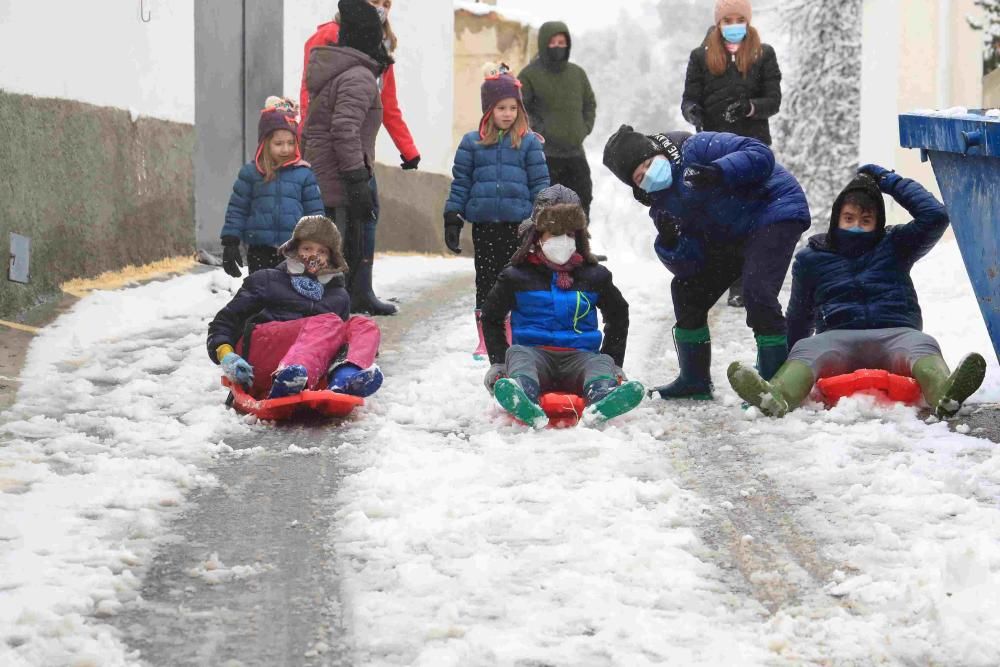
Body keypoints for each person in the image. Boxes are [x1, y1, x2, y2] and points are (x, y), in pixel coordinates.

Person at [727, 166, 987, 419]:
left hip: (896, 334)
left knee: (924, 344)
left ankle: (944, 393)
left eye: (866, 221)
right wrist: (788, 359)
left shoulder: (896, 244)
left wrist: (887, 180)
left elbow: (936, 216)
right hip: (837, 339)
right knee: (807, 348)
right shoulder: (811, 259)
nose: (856, 226)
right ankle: (778, 395)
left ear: (878, 222)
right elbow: (799, 314)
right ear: (836, 217)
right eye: (849, 218)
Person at [602, 125, 810, 400]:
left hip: (774, 209)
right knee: (687, 290)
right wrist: (671, 240)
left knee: (757, 290)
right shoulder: (661, 204)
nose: (649, 175)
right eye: (640, 177)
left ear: (660, 151)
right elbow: (690, 265)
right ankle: (694, 380)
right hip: (732, 236)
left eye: (650, 163)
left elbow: (760, 155)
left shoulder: (698, 148)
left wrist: (718, 172)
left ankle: (774, 382)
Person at [480, 185, 644, 427]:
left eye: (569, 234)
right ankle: (522, 396)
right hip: (533, 354)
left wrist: (614, 362)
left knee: (599, 363)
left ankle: (602, 397)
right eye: (554, 233)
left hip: (580, 357)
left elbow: (618, 315)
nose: (563, 241)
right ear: (538, 236)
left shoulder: (595, 276)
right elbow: (491, 316)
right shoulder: (517, 276)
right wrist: (498, 362)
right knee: (518, 355)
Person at [208, 215, 384, 401]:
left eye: (322, 251)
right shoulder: (267, 280)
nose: (313, 256)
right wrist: (226, 355)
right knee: (329, 322)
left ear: (331, 258)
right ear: (294, 249)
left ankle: (344, 379)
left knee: (363, 324)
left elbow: (340, 340)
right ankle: (289, 377)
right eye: (307, 248)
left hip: (315, 364)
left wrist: (361, 351)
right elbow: (224, 322)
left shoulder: (338, 296)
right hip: (262, 355)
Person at [443, 63, 550, 358]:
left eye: (513, 108)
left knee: (516, 279)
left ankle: (515, 333)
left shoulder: (529, 143)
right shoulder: (471, 143)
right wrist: (453, 215)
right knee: (487, 279)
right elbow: (461, 182)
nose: (507, 114)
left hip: (520, 226)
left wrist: (542, 219)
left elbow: (540, 183)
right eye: (501, 107)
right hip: (486, 225)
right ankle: (487, 336)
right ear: (489, 109)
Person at [681, 0, 782, 309]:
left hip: (753, 145)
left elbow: (773, 100)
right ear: (719, 23)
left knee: (750, 214)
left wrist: (750, 107)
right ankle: (719, 276)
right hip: (716, 145)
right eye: (728, 19)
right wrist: (692, 112)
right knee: (720, 215)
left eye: (740, 19)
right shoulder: (700, 57)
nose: (734, 24)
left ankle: (743, 283)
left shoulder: (764, 54)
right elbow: (688, 99)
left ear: (748, 22)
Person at [303, 0, 398, 316]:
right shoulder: (357, 75)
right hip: (341, 173)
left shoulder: (344, 69)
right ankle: (335, 319)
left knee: (336, 247)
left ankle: (344, 306)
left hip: (331, 168)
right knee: (341, 250)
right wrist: (357, 178)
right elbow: (344, 129)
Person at [221, 96, 324, 278]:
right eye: (278, 143)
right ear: (265, 143)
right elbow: (237, 209)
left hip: (293, 251)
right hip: (259, 249)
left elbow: (314, 214)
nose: (285, 149)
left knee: (289, 296)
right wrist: (231, 241)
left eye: (291, 143)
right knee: (262, 291)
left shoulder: (304, 175)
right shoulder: (251, 173)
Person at [518, 21, 597, 218]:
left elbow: (589, 104)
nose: (557, 47)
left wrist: (583, 129)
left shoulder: (577, 74)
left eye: (562, 42)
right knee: (547, 209)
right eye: (553, 42)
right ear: (544, 43)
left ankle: (580, 247)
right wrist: (542, 130)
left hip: (575, 153)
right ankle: (542, 248)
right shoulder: (529, 75)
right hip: (545, 156)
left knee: (582, 201)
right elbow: (521, 109)